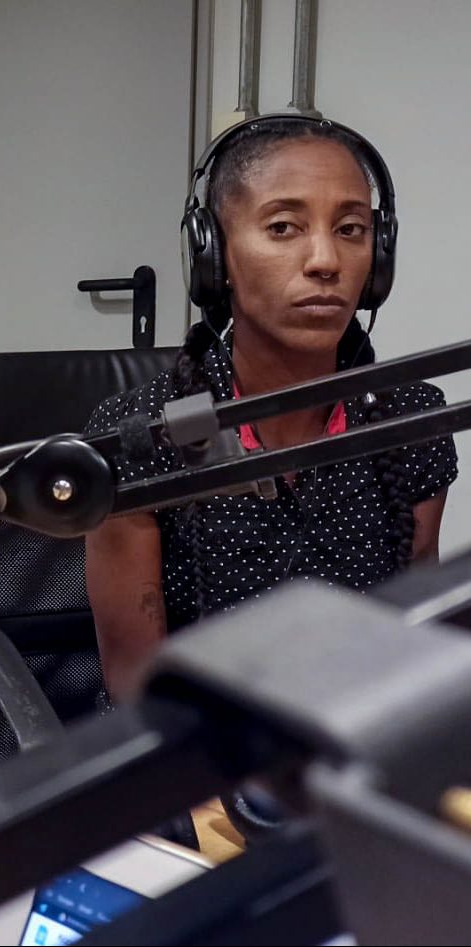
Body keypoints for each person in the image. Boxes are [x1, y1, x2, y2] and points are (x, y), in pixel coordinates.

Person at [85, 115, 458, 702]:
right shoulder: (140, 438)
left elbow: (411, 635)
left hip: (354, 730)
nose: (325, 261)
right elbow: (138, 685)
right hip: (200, 741)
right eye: (283, 227)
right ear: (215, 258)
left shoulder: (412, 419)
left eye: (351, 229)